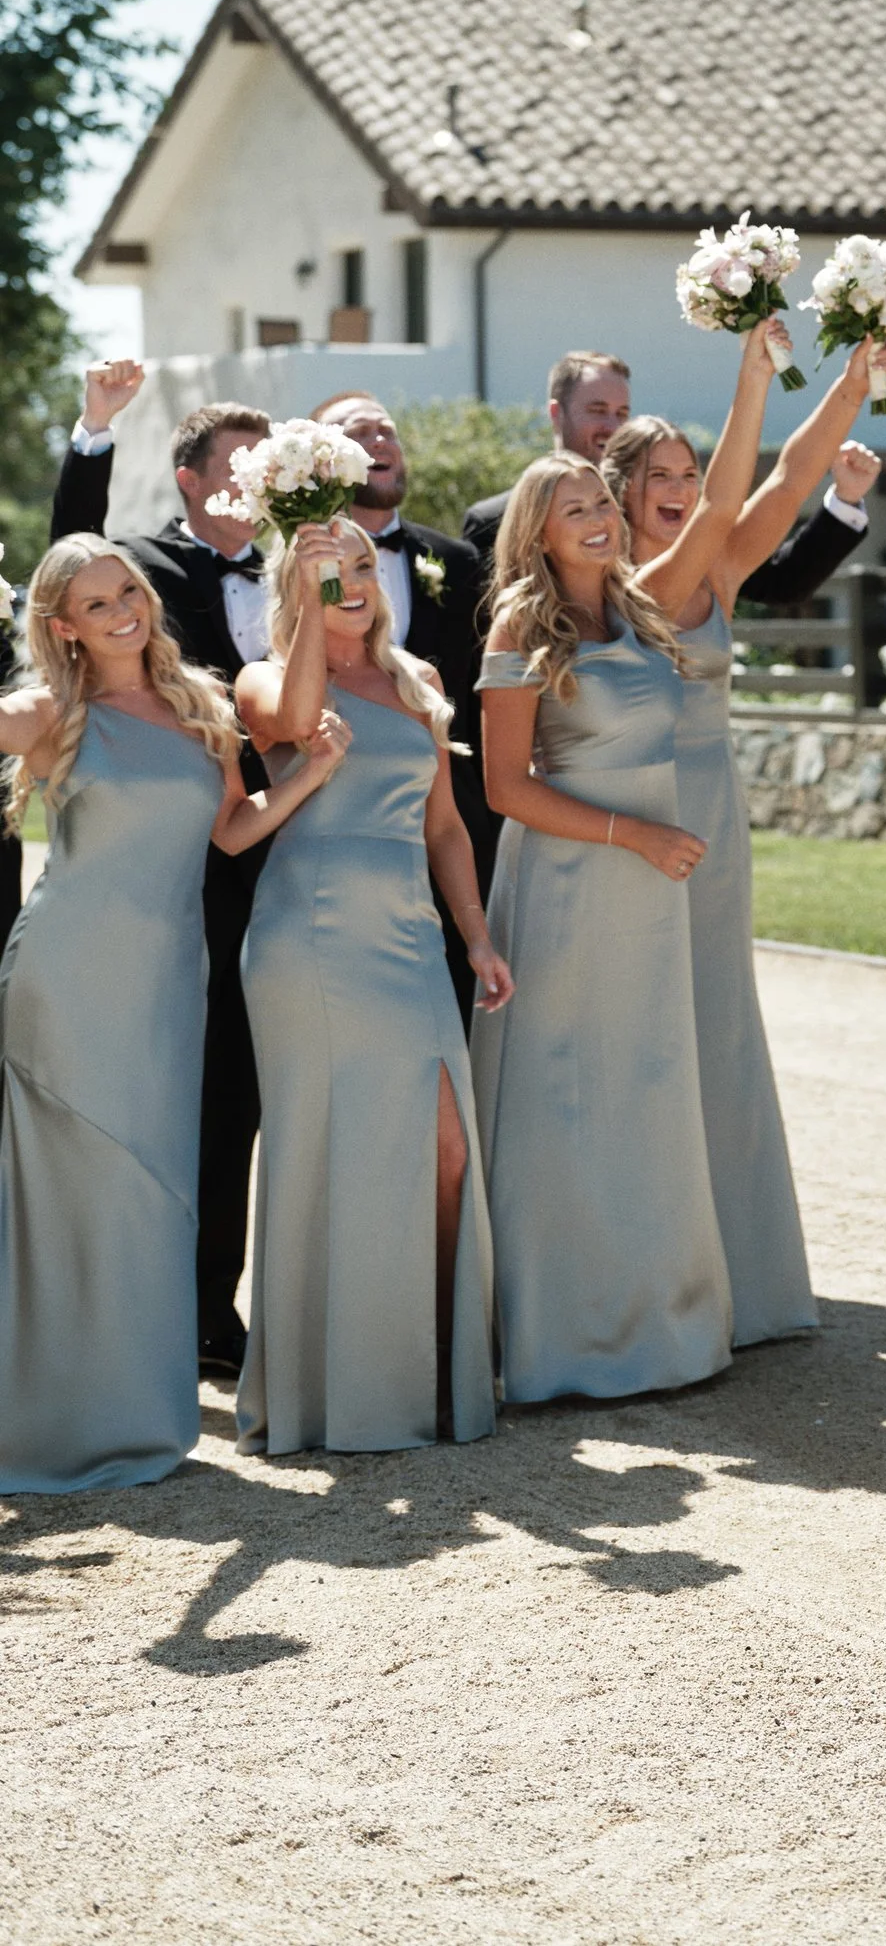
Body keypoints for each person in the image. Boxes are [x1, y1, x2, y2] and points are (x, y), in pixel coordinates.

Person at [0, 538, 342, 1491]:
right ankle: (45, 1417)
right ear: (61, 623)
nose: (122, 610)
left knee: (152, 1193)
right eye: (96, 602)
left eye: (129, 591)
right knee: (73, 1191)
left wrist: (307, 777)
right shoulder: (49, 708)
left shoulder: (202, 705)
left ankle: (136, 1414)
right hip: (68, 980)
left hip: (166, 982)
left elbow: (229, 828)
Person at [600, 325, 886, 1345]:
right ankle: (647, 1268)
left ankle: (733, 1264)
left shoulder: (718, 567)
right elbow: (736, 490)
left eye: (687, 470)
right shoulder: (619, 588)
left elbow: (794, 475)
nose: (682, 488)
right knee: (644, 1031)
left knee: (718, 1022)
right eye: (662, 475)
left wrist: (852, 383)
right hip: (632, 813)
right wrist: (750, 375)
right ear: (620, 492)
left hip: (712, 809)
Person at [235, 521, 513, 1453]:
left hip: (408, 933)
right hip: (307, 935)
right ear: (298, 585)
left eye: (359, 566)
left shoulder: (418, 681)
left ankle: (434, 1367)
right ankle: (329, 1389)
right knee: (325, 1150)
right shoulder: (265, 677)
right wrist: (315, 604)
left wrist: (475, 938)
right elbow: (294, 714)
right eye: (328, 570)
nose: (351, 581)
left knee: (445, 1148)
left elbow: (443, 827)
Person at [470, 454, 730, 1402]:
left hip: (650, 885)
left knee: (646, 1085)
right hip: (571, 880)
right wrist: (636, 833)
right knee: (565, 1095)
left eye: (599, 504)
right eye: (570, 508)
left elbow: (724, 503)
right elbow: (505, 786)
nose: (595, 519)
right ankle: (564, 1334)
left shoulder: (646, 608)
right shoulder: (518, 624)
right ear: (535, 529)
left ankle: (660, 1324)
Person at [49, 371, 276, 1378]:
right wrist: (95, 431)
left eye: (267, 466)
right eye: (235, 464)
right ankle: (113, 1313)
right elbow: (70, 557)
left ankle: (209, 1306)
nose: (255, 481)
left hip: (290, 855)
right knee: (156, 1092)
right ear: (186, 479)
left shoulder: (314, 566)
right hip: (172, 878)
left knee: (240, 1100)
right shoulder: (138, 573)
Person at [306, 389, 497, 1017]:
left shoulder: (462, 560)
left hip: (449, 817)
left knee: (455, 1017)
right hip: (331, 844)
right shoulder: (287, 570)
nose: (380, 439)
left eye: (387, 429)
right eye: (358, 431)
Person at [462, 351, 634, 564]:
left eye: (622, 414)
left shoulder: (639, 513)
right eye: (597, 411)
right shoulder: (493, 521)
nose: (613, 427)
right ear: (556, 413)